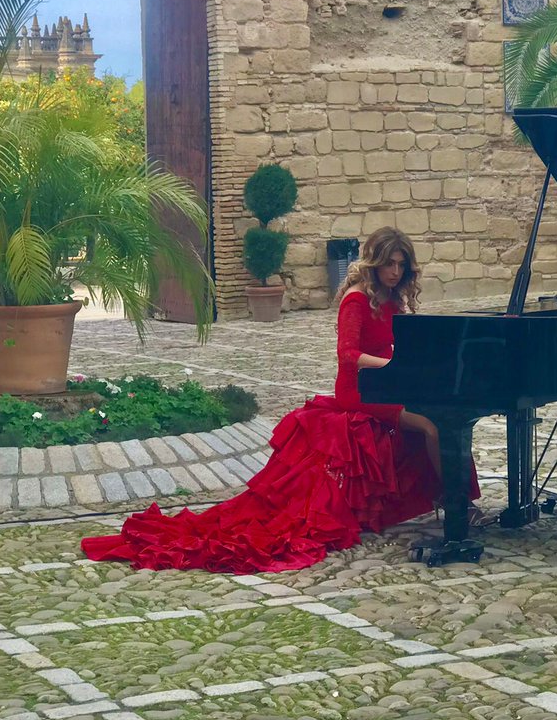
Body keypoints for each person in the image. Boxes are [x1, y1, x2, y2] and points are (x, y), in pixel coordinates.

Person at [81, 227, 485, 574]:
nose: (396, 272)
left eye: (401, 265)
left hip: (388, 385)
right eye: (389, 264)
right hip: (359, 392)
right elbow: (348, 355)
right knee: (432, 426)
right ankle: (454, 504)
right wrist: (395, 364)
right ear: (374, 263)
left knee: (443, 417)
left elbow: (400, 343)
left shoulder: (391, 298)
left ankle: (450, 498)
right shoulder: (357, 300)